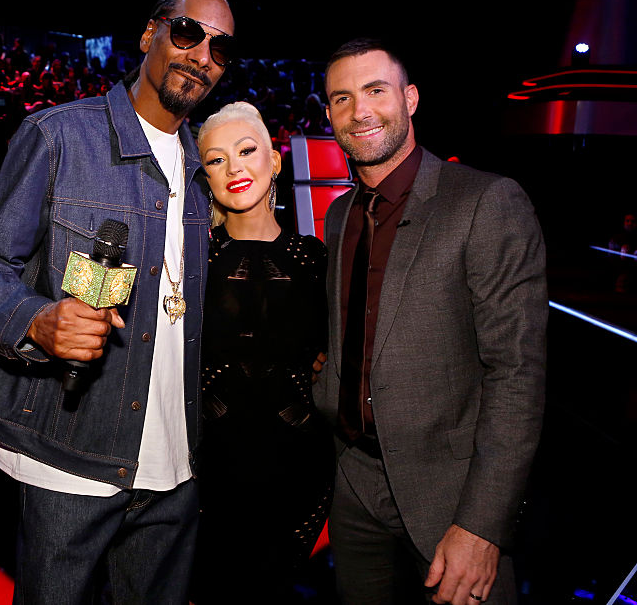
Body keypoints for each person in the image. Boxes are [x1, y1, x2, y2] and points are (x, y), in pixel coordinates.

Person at [0, 0, 236, 604]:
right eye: (188, 33)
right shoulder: (58, 136)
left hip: (176, 466)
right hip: (70, 456)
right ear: (150, 34)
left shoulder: (203, 171)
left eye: (220, 49)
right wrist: (36, 321)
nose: (201, 56)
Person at [314, 38, 547, 605]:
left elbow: (517, 375)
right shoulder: (341, 214)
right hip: (354, 485)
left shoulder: (486, 201)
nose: (360, 111)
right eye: (342, 98)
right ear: (329, 115)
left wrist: (482, 525)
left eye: (376, 90)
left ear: (410, 98)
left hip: (452, 496)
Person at [191, 102, 333, 602]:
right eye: (216, 159)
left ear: (274, 161)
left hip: (298, 469)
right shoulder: (190, 257)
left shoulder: (315, 259)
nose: (234, 167)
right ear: (205, 176)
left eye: (247, 150)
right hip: (207, 472)